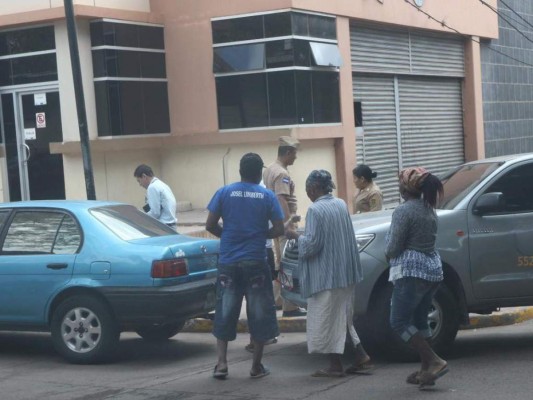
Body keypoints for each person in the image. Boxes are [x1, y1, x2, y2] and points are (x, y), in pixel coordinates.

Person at [285, 170, 372, 378]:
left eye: (308, 190)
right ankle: (361, 356)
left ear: (314, 189)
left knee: (326, 320)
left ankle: (334, 365)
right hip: (345, 272)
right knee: (343, 318)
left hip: (327, 277)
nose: (308, 194)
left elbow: (312, 245)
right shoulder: (340, 203)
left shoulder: (315, 210)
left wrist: (295, 235)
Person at [206, 153, 284, 380]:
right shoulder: (267, 196)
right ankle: (256, 367)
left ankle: (221, 364)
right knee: (259, 312)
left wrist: (228, 236)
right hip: (256, 261)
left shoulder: (224, 192)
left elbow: (210, 224)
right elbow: (279, 229)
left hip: (229, 262)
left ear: (240, 171)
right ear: (260, 172)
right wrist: (260, 235)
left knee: (225, 310)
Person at [386, 167, 448, 388]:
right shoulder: (429, 209)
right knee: (420, 321)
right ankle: (426, 372)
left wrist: (386, 253)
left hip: (411, 271)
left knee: (399, 321)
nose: (398, 187)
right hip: (432, 270)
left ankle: (434, 360)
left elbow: (394, 246)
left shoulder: (403, 211)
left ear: (406, 188)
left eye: (400, 184)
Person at [263, 136, 306, 317]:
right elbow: (281, 199)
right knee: (287, 264)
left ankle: (277, 300)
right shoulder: (281, 173)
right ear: (288, 153)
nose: (295, 157)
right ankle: (290, 306)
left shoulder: (269, 169)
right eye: (294, 154)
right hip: (284, 223)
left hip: (275, 222)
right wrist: (288, 225)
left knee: (281, 262)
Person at [133, 164, 177, 229]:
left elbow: (155, 213)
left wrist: (141, 217)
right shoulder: (161, 184)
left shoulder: (152, 187)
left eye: (139, 181)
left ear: (144, 176)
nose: (140, 184)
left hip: (164, 226)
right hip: (171, 225)